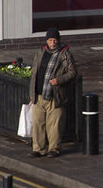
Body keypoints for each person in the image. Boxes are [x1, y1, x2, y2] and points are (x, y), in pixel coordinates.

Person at [27, 27, 77, 158]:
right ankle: (38, 149)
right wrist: (32, 94)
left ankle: (54, 149)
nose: (53, 42)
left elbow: (72, 72)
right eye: (50, 40)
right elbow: (34, 73)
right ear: (46, 41)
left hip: (55, 96)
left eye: (55, 40)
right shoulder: (40, 52)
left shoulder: (65, 54)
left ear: (58, 41)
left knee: (54, 126)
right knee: (38, 124)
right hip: (39, 95)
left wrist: (59, 80)